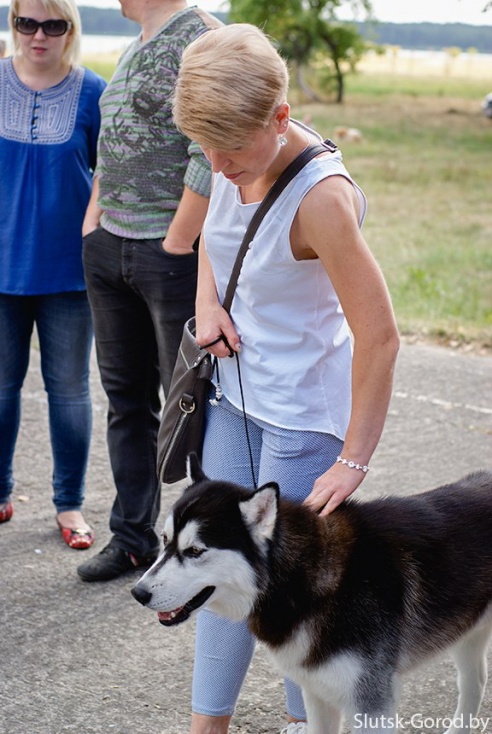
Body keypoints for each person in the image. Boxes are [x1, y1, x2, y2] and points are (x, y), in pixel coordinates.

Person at [171, 23, 401, 734]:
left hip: (302, 415)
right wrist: (208, 301)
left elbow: (381, 336)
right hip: (235, 402)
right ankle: (209, 724)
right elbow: (213, 237)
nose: (216, 165)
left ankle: (310, 727)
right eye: (205, 151)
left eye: (229, 154)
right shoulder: (227, 139)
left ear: (277, 118)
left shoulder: (321, 201)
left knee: (292, 596)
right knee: (217, 573)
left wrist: (353, 457)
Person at [76, 0, 222, 582]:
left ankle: (209, 552)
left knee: (192, 407)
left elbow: (209, 150)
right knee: (126, 404)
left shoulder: (203, 38)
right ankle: (133, 539)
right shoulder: (137, 42)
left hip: (167, 255)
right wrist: (94, 221)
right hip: (109, 248)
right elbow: (112, 148)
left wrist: (176, 242)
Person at [0, 0, 106, 549]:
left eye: (53, 24)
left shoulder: (94, 93)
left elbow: (106, 178)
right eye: (27, 22)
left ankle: (69, 504)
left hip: (69, 272)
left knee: (68, 392)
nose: (39, 35)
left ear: (70, 29)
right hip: (0, 269)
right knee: (0, 388)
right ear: (13, 23)